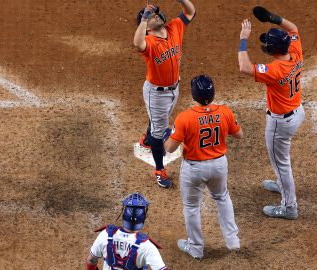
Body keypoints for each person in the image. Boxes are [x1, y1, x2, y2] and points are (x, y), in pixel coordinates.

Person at [164, 75, 243, 260]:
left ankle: (196, 248)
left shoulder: (185, 117)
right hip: (219, 165)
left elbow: (169, 148)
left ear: (194, 95)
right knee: (222, 197)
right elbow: (239, 134)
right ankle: (233, 241)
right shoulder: (225, 112)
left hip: (194, 169)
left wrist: (168, 135)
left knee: (191, 206)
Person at [238, 6, 306, 220]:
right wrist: (271, 18)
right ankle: (281, 185)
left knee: (281, 163)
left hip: (281, 123)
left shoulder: (275, 71)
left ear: (273, 50)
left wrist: (243, 39)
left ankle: (289, 207)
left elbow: (245, 67)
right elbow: (293, 27)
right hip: (297, 111)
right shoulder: (295, 51)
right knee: (281, 162)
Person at [134, 1, 196, 188]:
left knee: (160, 120)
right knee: (160, 132)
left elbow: (190, 11)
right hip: (157, 94)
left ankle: (146, 140)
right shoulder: (150, 43)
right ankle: (159, 170)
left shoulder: (174, 27)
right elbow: (137, 43)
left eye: (157, 14)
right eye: (152, 16)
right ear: (146, 27)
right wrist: (144, 18)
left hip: (174, 87)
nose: (157, 16)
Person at [85, 193, 168, 270]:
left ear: (124, 215)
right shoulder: (147, 247)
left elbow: (91, 261)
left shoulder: (105, 235)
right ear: (143, 218)